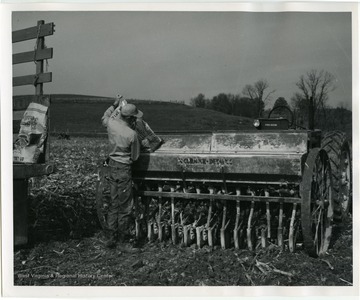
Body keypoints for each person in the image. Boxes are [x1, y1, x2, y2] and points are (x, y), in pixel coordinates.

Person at [101, 98, 142, 252]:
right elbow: (135, 156)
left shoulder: (111, 124)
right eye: (135, 118)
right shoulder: (132, 134)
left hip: (112, 167)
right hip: (124, 170)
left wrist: (114, 104)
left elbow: (105, 116)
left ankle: (110, 239)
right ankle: (123, 243)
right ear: (131, 119)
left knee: (113, 204)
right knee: (125, 207)